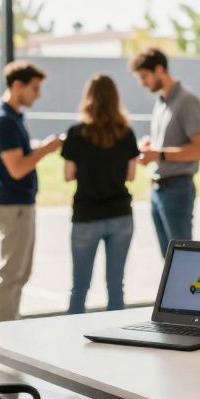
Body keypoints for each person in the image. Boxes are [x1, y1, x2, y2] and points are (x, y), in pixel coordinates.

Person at [0, 61, 62, 322]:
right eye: (35, 88)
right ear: (18, 85)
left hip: (20, 204)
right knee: (12, 274)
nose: (38, 95)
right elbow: (17, 168)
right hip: (13, 205)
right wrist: (46, 149)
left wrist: (37, 149)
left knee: (21, 272)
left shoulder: (13, 117)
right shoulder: (4, 121)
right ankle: (2, 334)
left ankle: (9, 326)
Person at [62, 74, 139, 314]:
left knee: (79, 286)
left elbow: (68, 174)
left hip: (86, 215)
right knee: (116, 286)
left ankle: (70, 338)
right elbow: (131, 175)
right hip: (120, 215)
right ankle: (116, 339)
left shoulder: (76, 134)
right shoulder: (126, 133)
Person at [128, 48, 200, 256]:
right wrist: (150, 145)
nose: (142, 83)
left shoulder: (187, 101)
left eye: (144, 76)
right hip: (157, 189)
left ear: (160, 69)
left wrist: (159, 154)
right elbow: (165, 143)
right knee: (168, 257)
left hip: (177, 189)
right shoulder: (161, 103)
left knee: (182, 257)